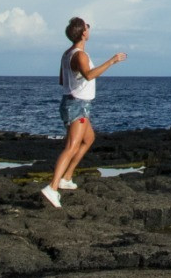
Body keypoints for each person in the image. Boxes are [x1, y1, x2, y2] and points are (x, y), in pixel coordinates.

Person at [43, 17, 125, 209]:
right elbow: (89, 75)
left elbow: (63, 80)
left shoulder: (67, 54)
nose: (89, 28)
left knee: (88, 139)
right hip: (77, 105)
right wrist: (112, 61)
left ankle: (67, 177)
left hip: (72, 103)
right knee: (72, 146)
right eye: (87, 27)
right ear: (83, 33)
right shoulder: (80, 55)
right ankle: (52, 188)